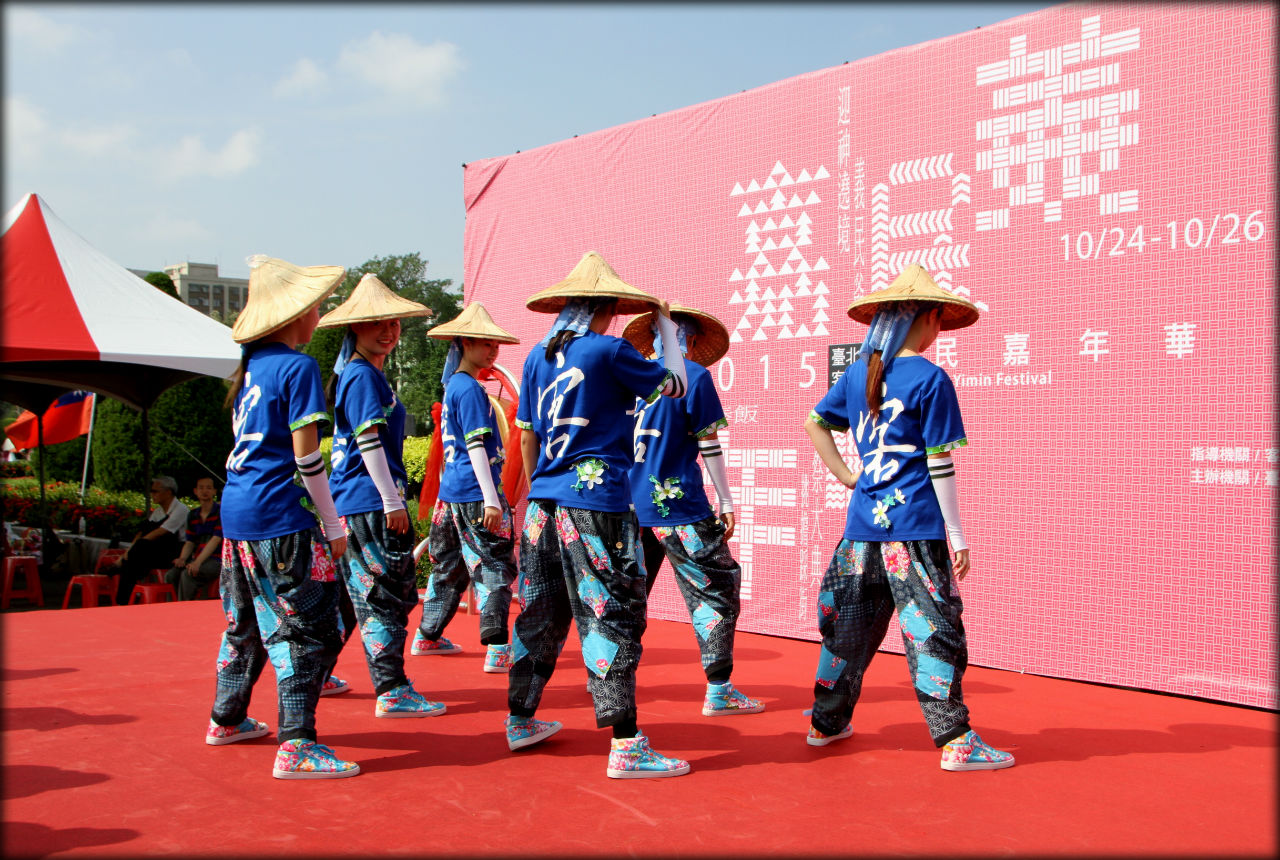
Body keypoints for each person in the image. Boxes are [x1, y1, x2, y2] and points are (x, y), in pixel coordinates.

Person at [802, 263, 1014, 772]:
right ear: (927, 317)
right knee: (934, 628)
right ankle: (956, 741)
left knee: (848, 628)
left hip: (861, 531)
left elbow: (815, 421)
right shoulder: (931, 378)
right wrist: (957, 534)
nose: (939, 329)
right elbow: (940, 462)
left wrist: (848, 477)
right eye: (937, 319)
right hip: (915, 528)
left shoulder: (859, 372)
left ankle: (824, 724)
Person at [504, 251, 693, 779]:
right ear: (608, 307)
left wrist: (534, 486)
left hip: (543, 503)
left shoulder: (538, 356)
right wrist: (666, 330)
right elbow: (673, 386)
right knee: (610, 613)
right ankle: (626, 743)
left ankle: (520, 717)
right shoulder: (609, 350)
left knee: (539, 612)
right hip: (594, 502)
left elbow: (527, 433)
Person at [204, 254, 360, 780]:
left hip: (238, 511)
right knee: (312, 626)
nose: (319, 314)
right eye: (316, 307)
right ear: (297, 315)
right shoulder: (297, 367)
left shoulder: (248, 372)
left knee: (244, 623)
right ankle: (297, 743)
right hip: (281, 516)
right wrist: (334, 524)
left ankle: (226, 717)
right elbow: (307, 457)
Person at [621, 304, 764, 717]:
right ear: (693, 340)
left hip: (627, 506)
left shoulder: (629, 379)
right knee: (716, 588)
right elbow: (709, 443)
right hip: (678, 505)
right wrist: (727, 500)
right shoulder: (694, 376)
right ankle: (719, 689)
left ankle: (613, 686)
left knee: (625, 597)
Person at [316, 272, 444, 718]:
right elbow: (370, 441)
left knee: (354, 599)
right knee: (381, 598)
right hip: (368, 500)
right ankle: (391, 688)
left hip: (358, 501)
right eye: (377, 323)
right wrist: (392, 502)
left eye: (393, 323)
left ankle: (314, 674)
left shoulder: (365, 374)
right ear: (355, 328)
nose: (388, 331)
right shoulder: (361, 377)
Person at [412, 303, 521, 674]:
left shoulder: (453, 387)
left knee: (448, 566)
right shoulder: (471, 390)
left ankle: (428, 634)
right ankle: (497, 645)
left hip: (451, 494)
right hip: (477, 493)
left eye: (495, 344)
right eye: (484, 342)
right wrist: (492, 497)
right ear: (464, 343)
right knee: (495, 565)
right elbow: (477, 444)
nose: (492, 350)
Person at [113, 475, 190, 604]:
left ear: (168, 492)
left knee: (138, 552)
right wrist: (129, 550)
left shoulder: (180, 509)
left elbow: (160, 532)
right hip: (158, 549)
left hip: (176, 551)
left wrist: (134, 549)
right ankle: (125, 598)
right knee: (133, 559)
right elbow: (143, 531)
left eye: (155, 491)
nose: (152, 494)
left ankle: (124, 595)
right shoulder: (158, 512)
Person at [163, 476, 222, 600]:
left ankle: (183, 609)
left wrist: (197, 562)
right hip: (198, 558)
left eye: (208, 488)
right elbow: (189, 541)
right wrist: (182, 558)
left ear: (214, 492)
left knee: (188, 574)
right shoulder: (193, 515)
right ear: (195, 491)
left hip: (217, 560)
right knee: (171, 575)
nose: (204, 491)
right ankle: (170, 607)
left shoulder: (220, 512)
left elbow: (216, 539)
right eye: (201, 488)